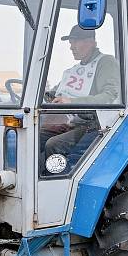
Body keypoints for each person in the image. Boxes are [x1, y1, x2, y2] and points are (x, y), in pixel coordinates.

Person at [41, 25, 120, 164]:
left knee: (53, 144)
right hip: (69, 122)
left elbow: (109, 97)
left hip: (92, 125)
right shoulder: (73, 70)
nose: (71, 47)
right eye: (70, 43)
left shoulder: (105, 62)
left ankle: (55, 181)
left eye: (75, 42)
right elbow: (57, 94)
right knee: (33, 137)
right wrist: (47, 98)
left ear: (91, 42)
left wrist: (71, 102)